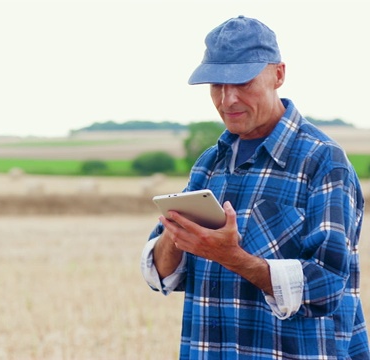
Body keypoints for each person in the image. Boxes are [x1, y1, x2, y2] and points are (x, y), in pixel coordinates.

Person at [140, 15, 369, 359]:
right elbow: (159, 275)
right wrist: (176, 235)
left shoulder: (323, 161)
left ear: (278, 74)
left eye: (242, 82)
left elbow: (327, 286)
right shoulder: (209, 163)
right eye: (216, 84)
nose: (227, 99)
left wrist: (231, 257)